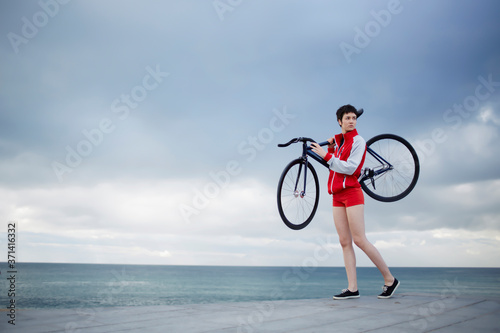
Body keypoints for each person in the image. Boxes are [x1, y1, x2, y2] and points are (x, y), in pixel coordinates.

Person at [310, 104, 400, 300]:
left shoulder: (358, 141)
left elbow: (350, 168)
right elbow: (335, 164)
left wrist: (325, 154)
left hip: (352, 193)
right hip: (336, 195)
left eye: (354, 118)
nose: (351, 121)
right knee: (344, 242)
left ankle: (390, 279)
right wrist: (332, 148)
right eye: (347, 118)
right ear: (339, 121)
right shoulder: (340, 141)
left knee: (359, 239)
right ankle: (353, 288)